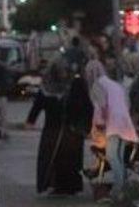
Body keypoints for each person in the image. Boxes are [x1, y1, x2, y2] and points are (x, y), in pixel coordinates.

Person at [26, 60, 93, 195]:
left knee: (70, 160)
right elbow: (38, 105)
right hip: (52, 129)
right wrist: (30, 120)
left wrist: (87, 126)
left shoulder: (76, 84)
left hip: (72, 130)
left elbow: (86, 106)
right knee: (53, 159)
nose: (62, 75)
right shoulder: (47, 87)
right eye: (59, 72)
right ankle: (56, 185)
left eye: (64, 72)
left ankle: (71, 186)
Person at [85, 59, 138, 199]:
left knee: (112, 156)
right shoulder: (114, 84)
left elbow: (101, 106)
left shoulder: (97, 85)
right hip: (124, 121)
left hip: (113, 123)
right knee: (119, 156)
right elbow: (127, 102)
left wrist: (100, 124)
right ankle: (124, 185)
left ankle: (119, 188)